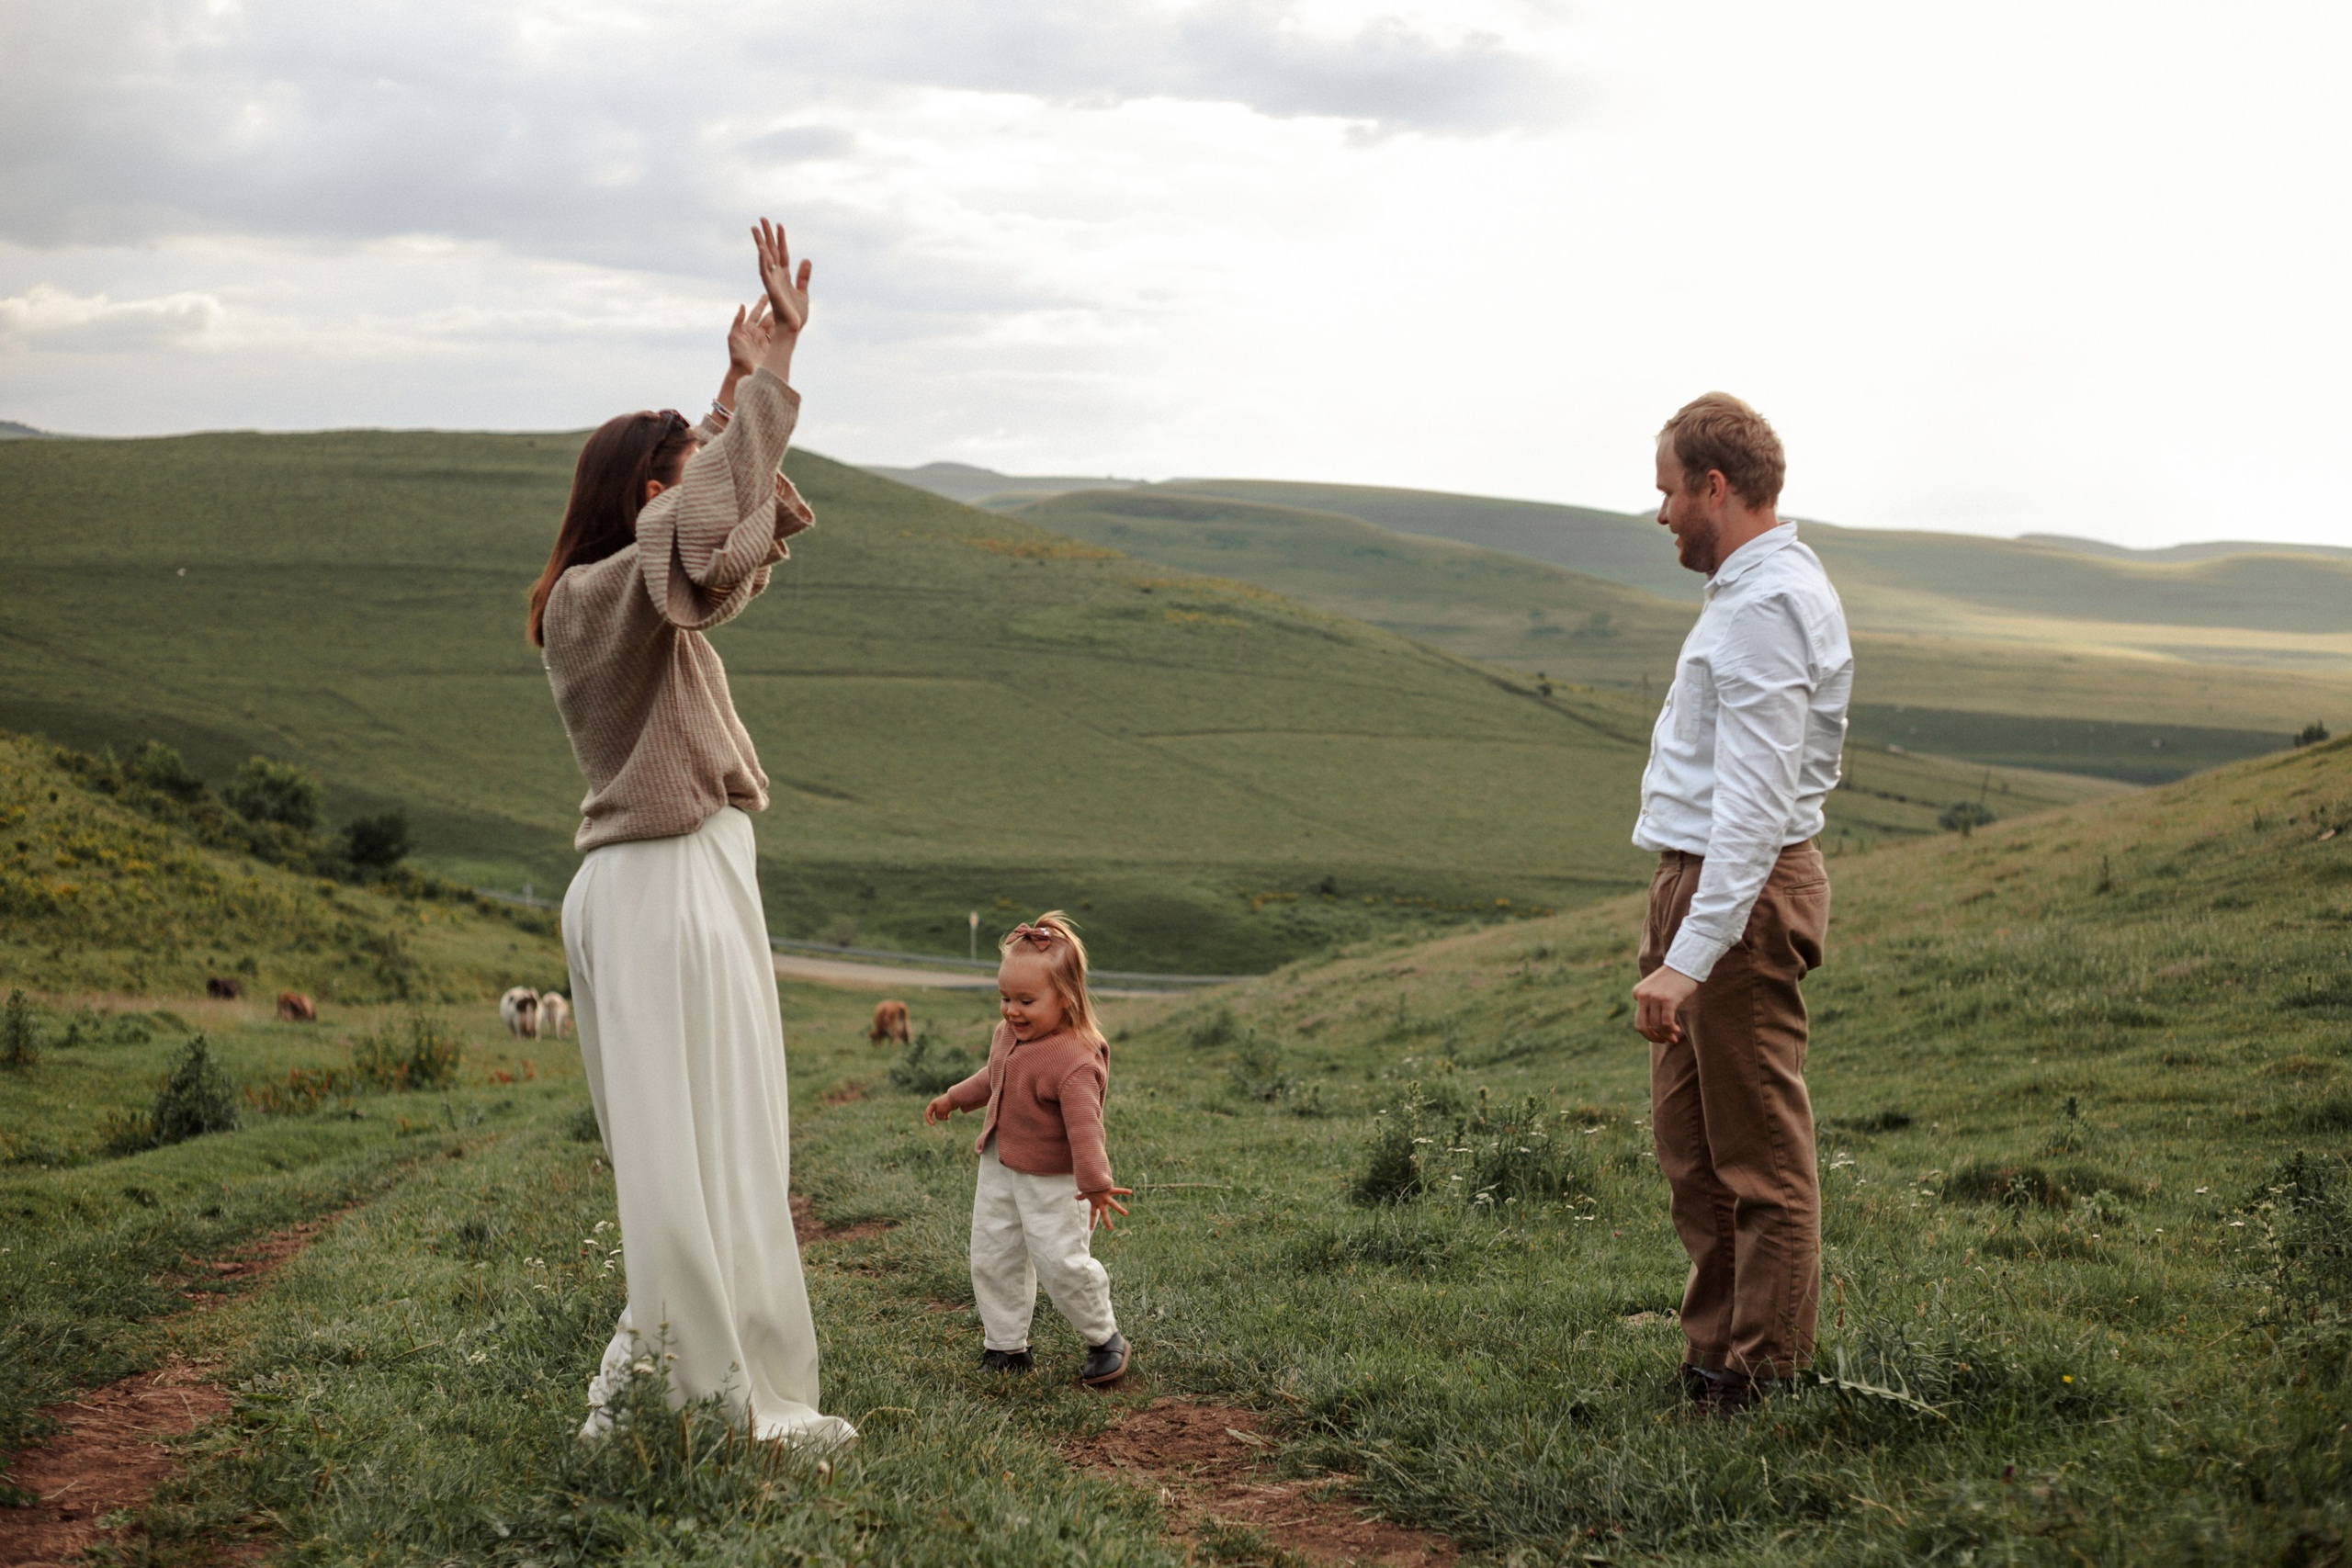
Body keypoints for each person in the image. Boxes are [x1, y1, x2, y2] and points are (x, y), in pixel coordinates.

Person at [529, 218, 854, 1446]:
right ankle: (680, 1390)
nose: (698, 487)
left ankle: (678, 1380)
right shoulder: (591, 602)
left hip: (698, 877)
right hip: (653, 886)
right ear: (643, 495)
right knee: (678, 1165)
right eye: (674, 473)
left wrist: (735, 383)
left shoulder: (644, 590)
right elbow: (699, 523)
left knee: (732, 1143)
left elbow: (720, 537)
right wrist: (766, 383)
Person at [1627, 392, 1852, 1416]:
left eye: (1669, 490)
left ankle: (1762, 1377)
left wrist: (1692, 951)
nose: (1662, 510)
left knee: (1756, 1153)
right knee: (1694, 1153)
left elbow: (1756, 808)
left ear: (1714, 486)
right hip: (1704, 878)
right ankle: (1715, 1356)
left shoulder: (1765, 606)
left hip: (1740, 889)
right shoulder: (1743, 593)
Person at [924, 913, 1133, 1385]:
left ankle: (1104, 1340)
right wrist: (956, 1098)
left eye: (1026, 1001)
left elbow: (1086, 1129)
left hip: (1054, 1181)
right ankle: (1005, 1347)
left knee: (1060, 1261)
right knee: (993, 1253)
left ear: (1067, 999)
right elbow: (993, 1077)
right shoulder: (1008, 1036)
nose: (1011, 1011)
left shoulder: (1075, 1058)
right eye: (1004, 998)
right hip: (999, 1165)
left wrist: (1097, 1185)